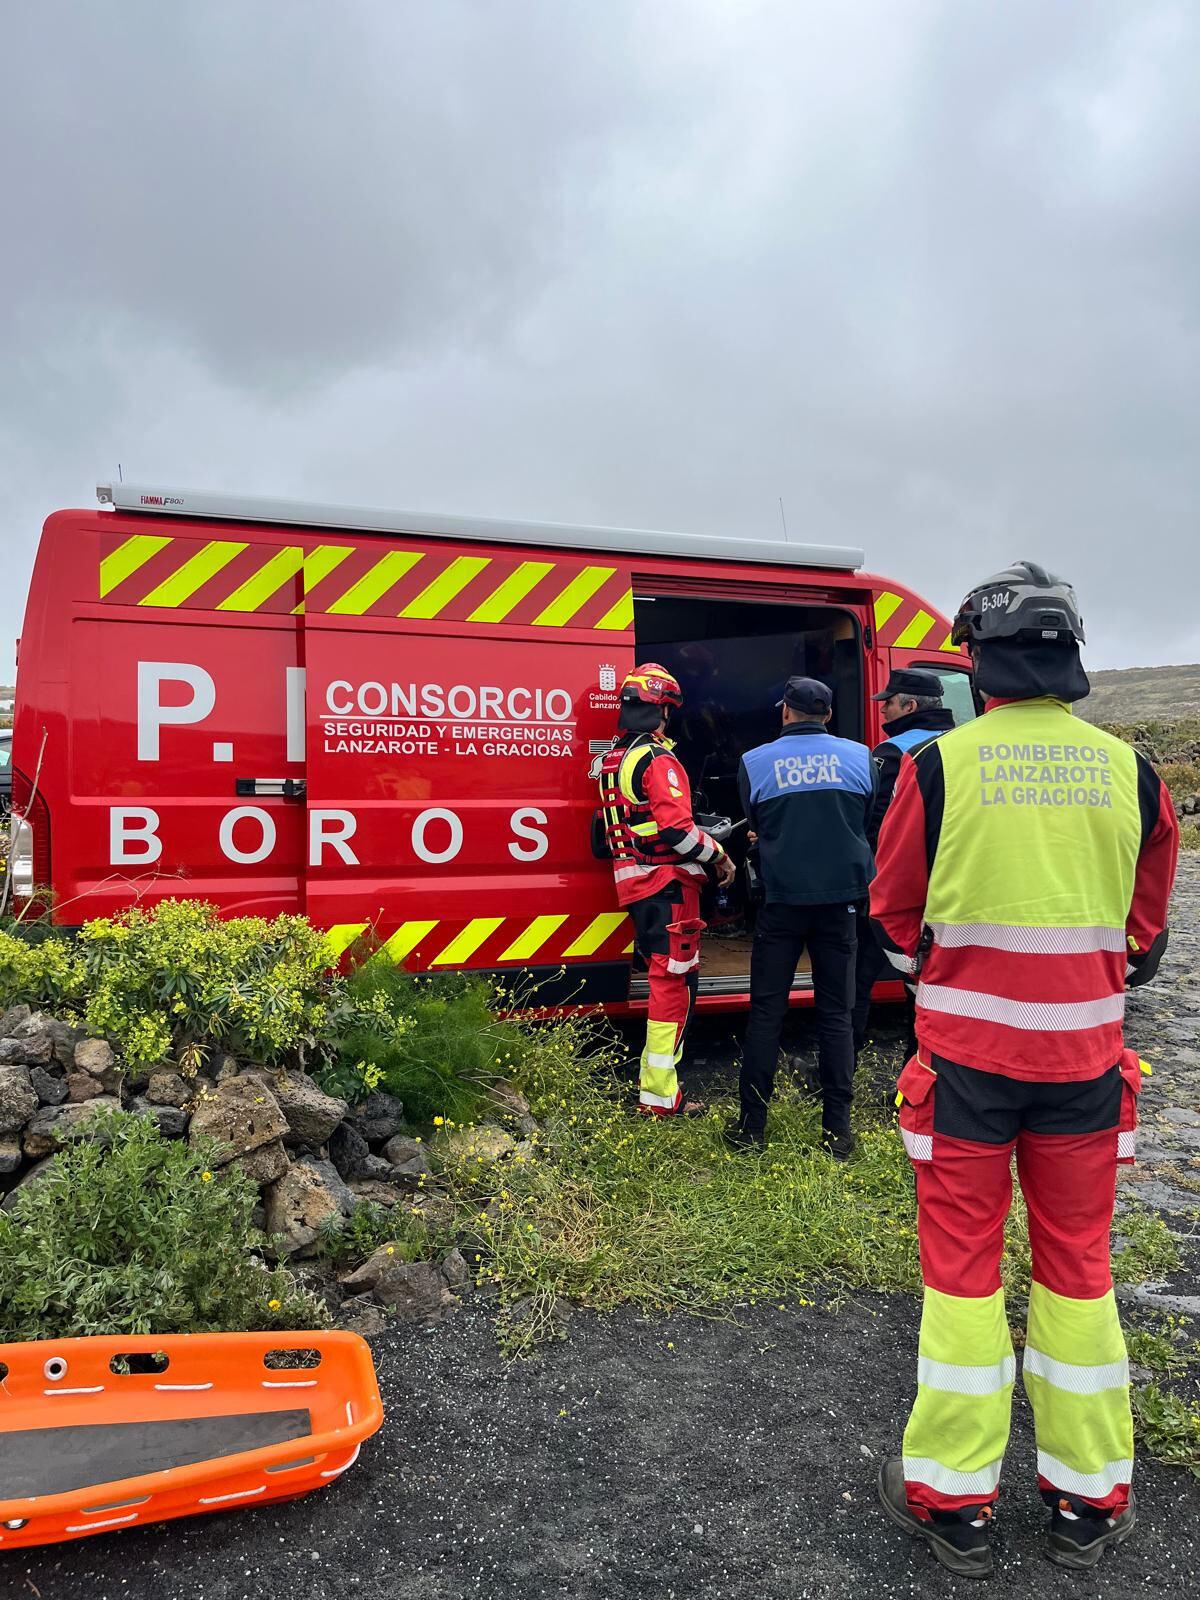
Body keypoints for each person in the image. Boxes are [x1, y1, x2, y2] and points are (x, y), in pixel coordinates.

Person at [870, 563, 1178, 1577]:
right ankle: (1086, 1498)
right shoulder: (1134, 775)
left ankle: (956, 1503)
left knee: (961, 1278)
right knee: (1079, 1273)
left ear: (980, 659)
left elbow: (896, 923)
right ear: (1072, 657)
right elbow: (1143, 936)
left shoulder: (937, 768)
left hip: (963, 1070)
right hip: (1086, 1069)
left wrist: (950, 975)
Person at [726, 676, 877, 1156]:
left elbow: (756, 818)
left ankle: (751, 1130)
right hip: (843, 904)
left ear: (785, 711)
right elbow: (862, 819)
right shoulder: (861, 758)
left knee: (767, 1012)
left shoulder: (755, 762)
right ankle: (838, 1133)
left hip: (782, 902)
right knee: (836, 1013)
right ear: (828, 715)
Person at [597, 663, 735, 1116]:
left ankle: (657, 1091)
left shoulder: (612, 760)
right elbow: (677, 833)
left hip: (635, 884)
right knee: (672, 985)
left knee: (665, 979)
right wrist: (718, 854)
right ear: (662, 711)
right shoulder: (658, 759)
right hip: (667, 886)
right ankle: (659, 1096)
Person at [852, 668, 955, 1056]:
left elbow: (877, 823)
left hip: (899, 882)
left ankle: (839, 1067)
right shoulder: (958, 744)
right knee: (928, 981)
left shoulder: (892, 752)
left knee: (859, 975)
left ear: (910, 706)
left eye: (889, 704)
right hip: (949, 881)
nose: (882, 713)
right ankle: (921, 1067)